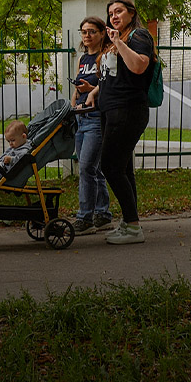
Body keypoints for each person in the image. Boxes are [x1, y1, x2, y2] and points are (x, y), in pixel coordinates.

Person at [87, 0, 156, 245]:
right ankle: (129, 222)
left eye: (118, 11)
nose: (114, 16)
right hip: (111, 110)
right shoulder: (118, 38)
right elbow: (113, 75)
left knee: (110, 166)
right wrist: (94, 92)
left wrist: (118, 42)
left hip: (128, 110)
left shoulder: (138, 36)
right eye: (111, 13)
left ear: (131, 13)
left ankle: (133, 227)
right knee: (123, 168)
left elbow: (138, 66)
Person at [69, 16, 114, 235]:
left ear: (102, 33)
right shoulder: (83, 58)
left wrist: (91, 91)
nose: (87, 35)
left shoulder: (106, 56)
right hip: (81, 118)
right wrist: (72, 106)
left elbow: (109, 83)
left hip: (96, 118)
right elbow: (78, 87)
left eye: (92, 31)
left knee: (86, 168)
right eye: (84, 31)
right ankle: (103, 215)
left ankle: (85, 218)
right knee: (93, 168)